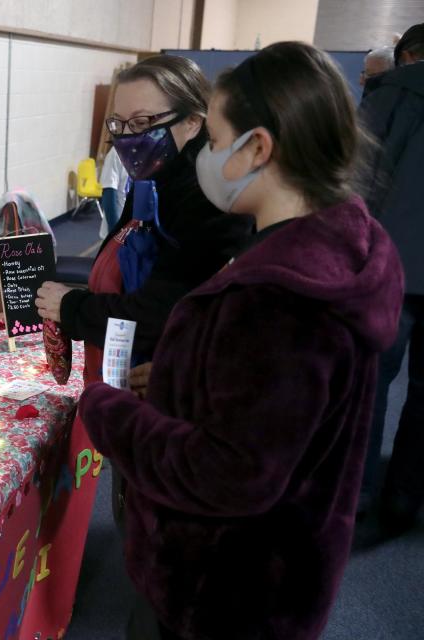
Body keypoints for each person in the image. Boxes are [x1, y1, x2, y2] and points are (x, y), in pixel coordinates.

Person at [79, 42, 403, 640]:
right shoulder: (333, 243)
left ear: (257, 147)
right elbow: (273, 411)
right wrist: (182, 375)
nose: (203, 154)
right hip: (277, 570)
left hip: (226, 590)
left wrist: (108, 409)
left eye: (215, 136)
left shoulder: (279, 296)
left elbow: (231, 472)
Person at [36, 56, 251, 386]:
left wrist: (72, 306)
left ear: (193, 122)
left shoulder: (206, 200)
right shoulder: (151, 183)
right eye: (118, 124)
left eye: (141, 123)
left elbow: (160, 314)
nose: (126, 138)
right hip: (112, 374)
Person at [357, 22, 424, 541]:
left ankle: (356, 495)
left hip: (389, 266)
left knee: (370, 381)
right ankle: (405, 498)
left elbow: (351, 182)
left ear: (405, 55)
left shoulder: (387, 99)